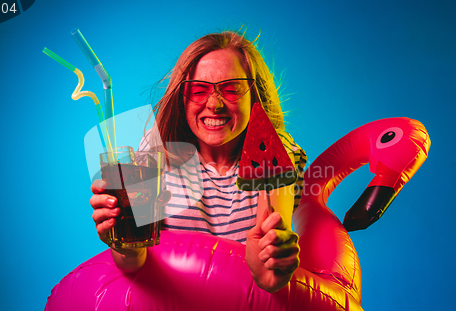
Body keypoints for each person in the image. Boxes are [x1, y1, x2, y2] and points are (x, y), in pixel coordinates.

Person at [90, 31, 306, 293]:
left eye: (232, 88)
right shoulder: (154, 152)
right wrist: (122, 242)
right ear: (182, 96)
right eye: (198, 90)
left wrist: (273, 262)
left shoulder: (274, 147)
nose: (214, 104)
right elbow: (133, 263)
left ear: (254, 94)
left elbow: (266, 257)